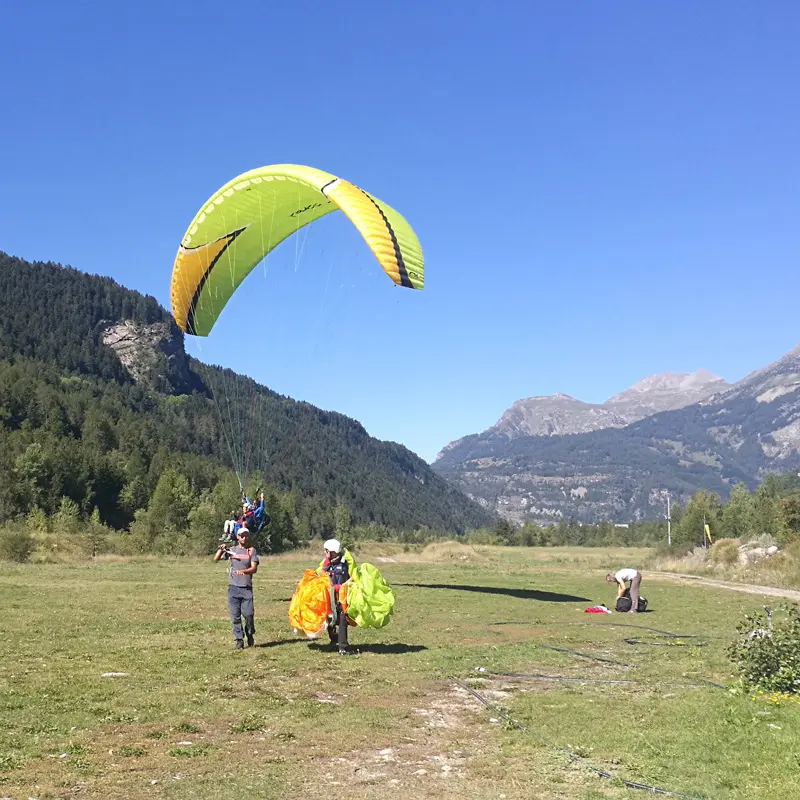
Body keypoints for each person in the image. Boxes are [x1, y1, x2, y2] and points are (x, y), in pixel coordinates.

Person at [214, 526, 260, 648]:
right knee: (235, 616)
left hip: (246, 588)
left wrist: (245, 571)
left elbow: (254, 568)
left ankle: (250, 633)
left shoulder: (251, 551)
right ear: (238, 537)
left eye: (246, 535)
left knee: (248, 615)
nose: (244, 537)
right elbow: (216, 559)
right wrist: (221, 549)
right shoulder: (232, 550)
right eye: (241, 535)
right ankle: (239, 640)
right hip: (233, 588)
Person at [317, 538, 356, 655]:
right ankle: (334, 640)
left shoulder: (345, 564)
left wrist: (342, 586)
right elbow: (321, 575)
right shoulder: (326, 564)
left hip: (342, 598)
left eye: (326, 550)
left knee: (343, 620)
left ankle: (342, 646)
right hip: (330, 597)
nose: (324, 553)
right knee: (330, 620)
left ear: (331, 551)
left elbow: (353, 577)